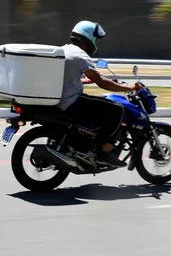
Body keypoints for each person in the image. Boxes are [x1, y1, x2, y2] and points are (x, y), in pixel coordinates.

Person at [56, 20, 139, 168]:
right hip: (69, 102)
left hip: (58, 99)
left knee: (96, 105)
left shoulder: (63, 50)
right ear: (89, 38)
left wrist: (84, 81)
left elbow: (65, 76)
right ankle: (105, 153)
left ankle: (87, 144)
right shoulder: (81, 55)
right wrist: (129, 88)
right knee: (116, 109)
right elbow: (103, 83)